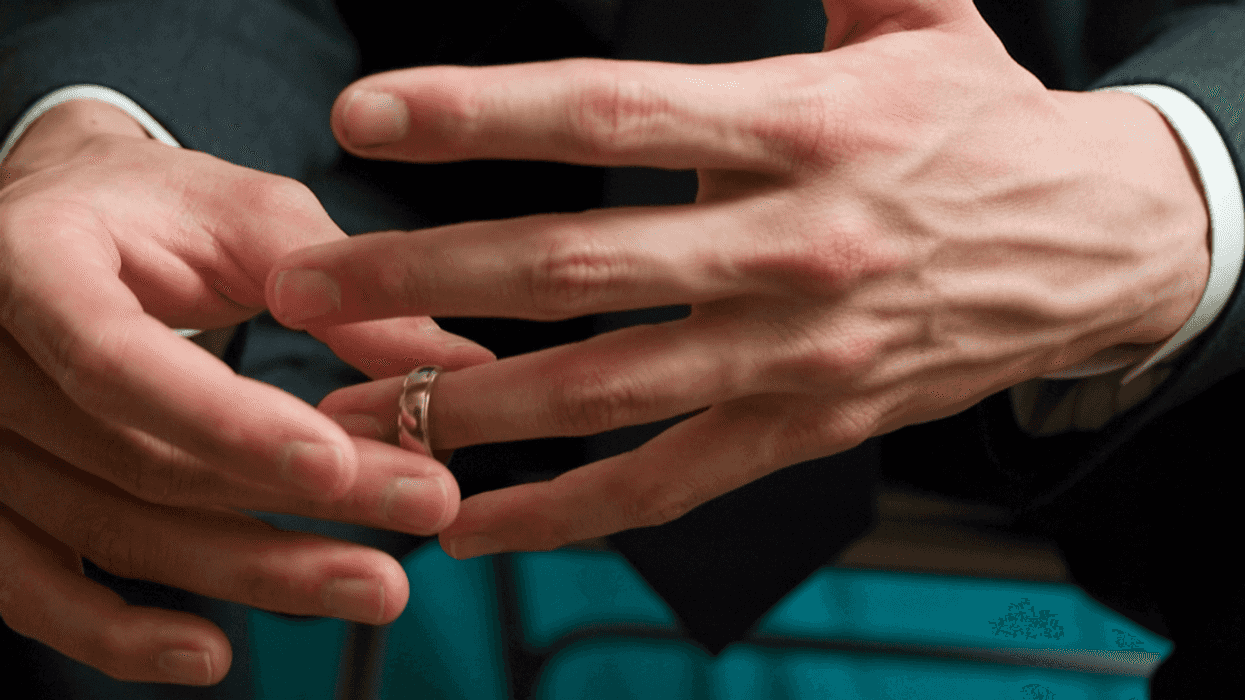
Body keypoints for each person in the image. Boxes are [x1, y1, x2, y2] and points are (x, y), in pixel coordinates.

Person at [0, 0, 1240, 698]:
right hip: (418, 228)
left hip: (1116, 262)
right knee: (54, 394)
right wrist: (95, 126)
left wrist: (1189, 181)